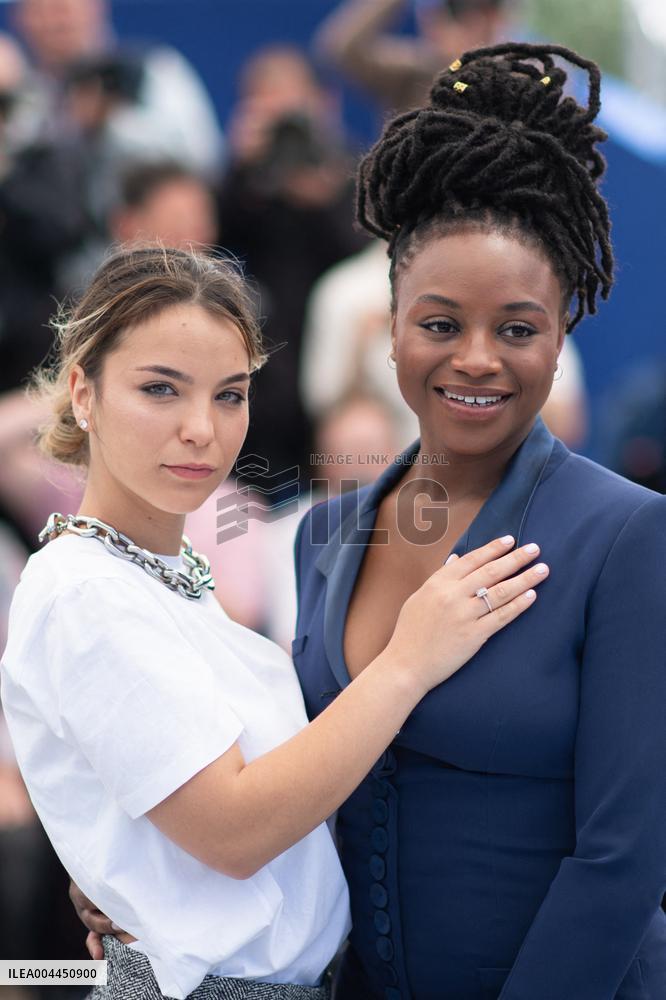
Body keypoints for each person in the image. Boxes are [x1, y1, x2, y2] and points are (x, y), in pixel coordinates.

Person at [0, 245, 547, 1000]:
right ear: (83, 394)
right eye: (160, 389)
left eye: (229, 395)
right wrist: (409, 659)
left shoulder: (164, 574)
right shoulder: (85, 591)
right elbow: (235, 831)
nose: (202, 428)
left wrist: (129, 874)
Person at [290, 43, 666, 998]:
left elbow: (622, 858)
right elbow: (299, 799)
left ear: (563, 333)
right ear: (390, 324)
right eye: (440, 323)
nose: (476, 359)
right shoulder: (321, 539)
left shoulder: (628, 538)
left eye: (518, 328)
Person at [315, 0, 513, 113]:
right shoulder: (417, 71)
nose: (475, 27)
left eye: (483, 15)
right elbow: (344, 49)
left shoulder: (515, 79)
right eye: (460, 16)